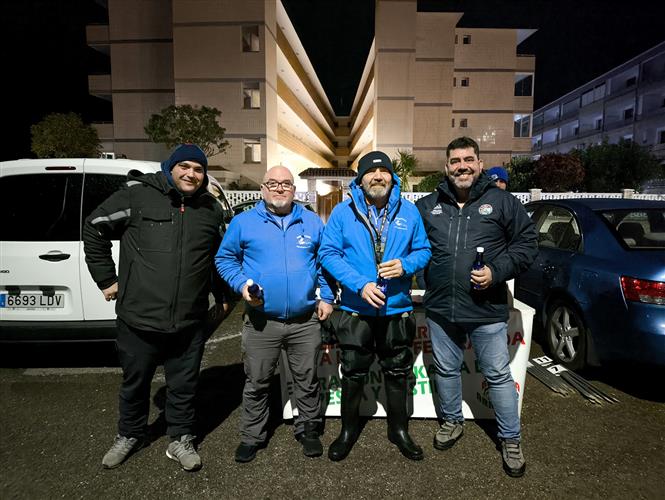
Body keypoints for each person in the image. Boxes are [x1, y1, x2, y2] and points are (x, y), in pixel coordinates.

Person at [83, 144, 229, 472]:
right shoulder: (137, 195)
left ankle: (180, 439)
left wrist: (220, 295)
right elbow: (94, 228)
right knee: (135, 383)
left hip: (189, 320)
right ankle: (130, 434)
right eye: (184, 166)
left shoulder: (209, 209)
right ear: (170, 167)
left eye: (198, 169)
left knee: (184, 385)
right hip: (139, 317)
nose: (191, 174)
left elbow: (215, 258)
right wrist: (106, 279)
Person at [415, 137, 537, 477]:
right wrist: (427, 281)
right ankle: (452, 421)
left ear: (480, 164)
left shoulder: (503, 202)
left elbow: (527, 244)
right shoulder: (428, 205)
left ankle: (510, 439)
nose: (462, 166)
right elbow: (414, 248)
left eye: (468, 159)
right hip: (441, 309)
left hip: (486, 310)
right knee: (446, 370)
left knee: (497, 375)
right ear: (446, 167)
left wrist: (496, 272)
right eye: (455, 161)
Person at [215, 166, 334, 463]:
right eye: (273, 183)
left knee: (307, 379)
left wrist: (327, 297)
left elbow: (324, 263)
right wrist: (242, 285)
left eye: (286, 184)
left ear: (294, 189)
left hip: (304, 320)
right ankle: (252, 436)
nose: (280, 188)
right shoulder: (243, 223)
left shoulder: (311, 221)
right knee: (257, 382)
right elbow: (225, 259)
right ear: (263, 189)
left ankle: (309, 430)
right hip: (261, 321)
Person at [319, 151, 431, 462]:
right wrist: (360, 284)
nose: (378, 176)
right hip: (357, 310)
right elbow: (328, 254)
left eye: (384, 171)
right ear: (360, 179)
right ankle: (347, 431)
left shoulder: (409, 212)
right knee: (353, 373)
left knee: (398, 373)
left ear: (393, 178)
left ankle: (399, 430)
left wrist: (406, 265)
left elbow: (424, 251)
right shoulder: (343, 212)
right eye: (371, 171)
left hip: (396, 310)